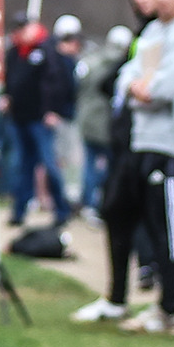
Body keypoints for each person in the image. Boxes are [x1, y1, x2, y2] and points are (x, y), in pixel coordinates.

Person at [85, 0, 174, 334]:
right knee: (117, 212)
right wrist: (137, 86)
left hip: (171, 145)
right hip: (140, 141)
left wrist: (144, 88)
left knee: (167, 228)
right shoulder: (153, 32)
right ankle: (115, 298)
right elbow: (125, 79)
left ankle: (168, 310)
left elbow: (160, 89)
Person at [0, 16, 76, 226]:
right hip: (20, 117)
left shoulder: (46, 51)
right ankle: (19, 211)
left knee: (49, 165)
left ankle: (61, 210)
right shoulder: (14, 53)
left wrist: (53, 110)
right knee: (22, 166)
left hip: (41, 119)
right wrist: (7, 97)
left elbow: (58, 83)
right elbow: (11, 80)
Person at [74, 25, 132, 216]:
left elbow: (79, 85)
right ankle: (98, 202)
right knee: (108, 165)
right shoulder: (122, 65)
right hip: (107, 123)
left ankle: (88, 202)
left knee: (90, 164)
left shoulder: (91, 62)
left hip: (88, 120)